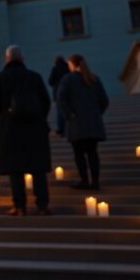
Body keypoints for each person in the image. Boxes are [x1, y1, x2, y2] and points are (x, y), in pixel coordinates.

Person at [0, 45, 52, 216]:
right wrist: (39, 119)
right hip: (34, 128)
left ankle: (19, 205)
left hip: (10, 129)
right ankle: (43, 204)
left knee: (15, 169)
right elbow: (45, 101)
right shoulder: (35, 77)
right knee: (37, 168)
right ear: (22, 59)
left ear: (7, 59)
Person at [57, 54, 109, 191]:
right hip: (93, 124)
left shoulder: (68, 79)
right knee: (92, 153)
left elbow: (61, 99)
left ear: (72, 64)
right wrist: (96, 114)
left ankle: (84, 180)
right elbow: (104, 101)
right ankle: (95, 181)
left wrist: (69, 115)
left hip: (76, 124)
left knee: (79, 154)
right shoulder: (94, 79)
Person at [48, 56, 70, 136]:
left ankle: (61, 130)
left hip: (58, 93)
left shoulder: (55, 68)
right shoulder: (68, 67)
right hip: (68, 93)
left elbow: (50, 81)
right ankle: (70, 128)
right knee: (69, 110)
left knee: (60, 112)